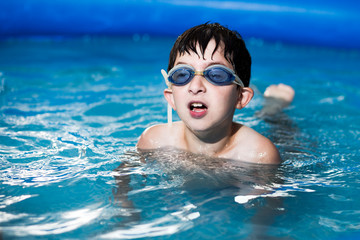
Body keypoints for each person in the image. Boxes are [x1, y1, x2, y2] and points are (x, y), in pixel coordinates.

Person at [136, 23, 294, 165]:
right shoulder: (154, 141)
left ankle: (274, 106)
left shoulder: (259, 156)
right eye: (182, 74)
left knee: (278, 130)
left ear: (241, 97)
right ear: (171, 98)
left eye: (217, 75)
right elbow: (122, 183)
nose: (196, 86)